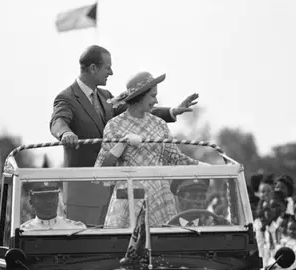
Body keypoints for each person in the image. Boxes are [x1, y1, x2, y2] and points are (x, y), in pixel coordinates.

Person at [50, 45, 198, 225]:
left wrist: (172, 111)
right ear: (93, 68)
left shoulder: (105, 96)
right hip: (84, 189)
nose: (111, 72)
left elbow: (136, 112)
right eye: (107, 67)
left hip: (116, 190)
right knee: (87, 247)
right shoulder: (66, 97)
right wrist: (65, 132)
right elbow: (58, 120)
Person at [94, 71, 204, 228]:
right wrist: (123, 143)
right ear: (140, 96)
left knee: (163, 247)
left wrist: (205, 168)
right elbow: (103, 168)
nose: (156, 100)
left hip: (160, 200)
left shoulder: (159, 124)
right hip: (128, 200)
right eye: (153, 96)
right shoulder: (114, 125)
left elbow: (176, 158)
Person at [21, 182, 86, 231]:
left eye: (52, 196)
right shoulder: (24, 231)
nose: (48, 201)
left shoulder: (75, 228)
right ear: (31, 202)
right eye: (42, 197)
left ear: (58, 199)